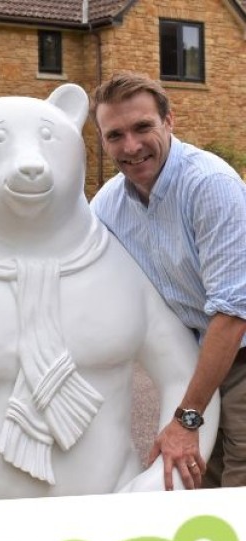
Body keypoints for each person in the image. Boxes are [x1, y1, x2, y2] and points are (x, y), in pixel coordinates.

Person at [90, 72, 246, 490]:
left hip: (238, 348)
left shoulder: (209, 185)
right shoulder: (107, 205)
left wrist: (186, 418)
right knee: (201, 489)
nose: (131, 146)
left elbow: (233, 314)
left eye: (143, 127)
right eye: (115, 134)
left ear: (169, 121)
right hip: (197, 359)